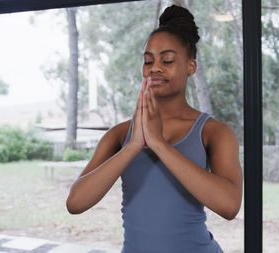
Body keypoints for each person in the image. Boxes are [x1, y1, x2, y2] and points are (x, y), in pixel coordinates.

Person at [66, 4, 243, 253]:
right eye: (148, 61)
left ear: (191, 67)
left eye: (167, 60)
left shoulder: (214, 132)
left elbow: (229, 206)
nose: (155, 67)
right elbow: (75, 202)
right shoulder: (119, 135)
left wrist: (159, 145)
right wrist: (134, 146)